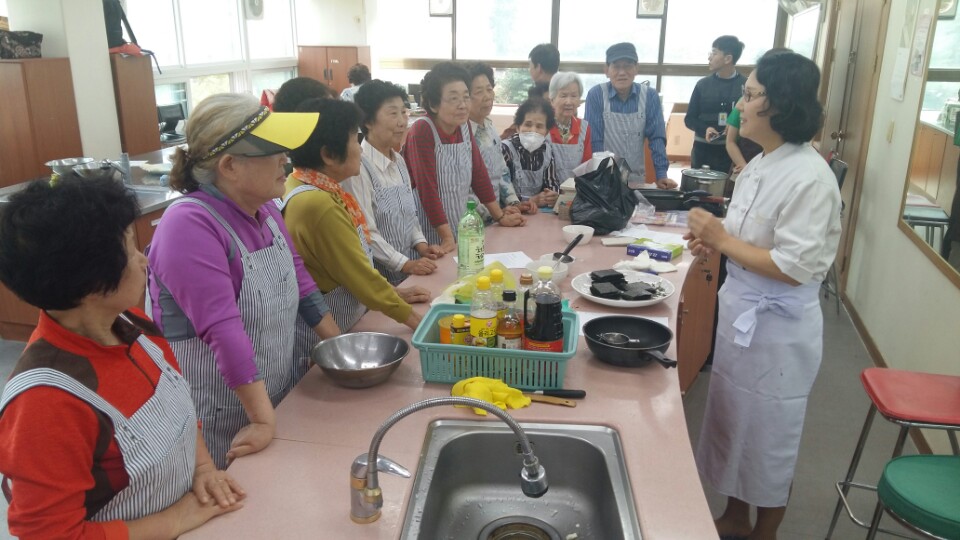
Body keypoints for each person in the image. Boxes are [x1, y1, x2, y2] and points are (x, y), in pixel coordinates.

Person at [0, 175, 244, 537]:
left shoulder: (133, 324)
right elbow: (49, 534)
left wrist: (203, 469)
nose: (143, 259)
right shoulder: (45, 402)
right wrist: (175, 519)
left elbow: (179, 412)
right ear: (91, 283)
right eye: (130, 249)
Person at [685, 51, 841, 540]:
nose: (740, 105)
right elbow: (747, 233)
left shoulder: (810, 177)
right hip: (742, 313)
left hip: (778, 329)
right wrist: (714, 237)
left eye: (751, 95)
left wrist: (723, 239)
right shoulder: (760, 162)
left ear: (781, 105)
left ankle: (765, 531)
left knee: (770, 435)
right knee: (735, 423)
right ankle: (735, 516)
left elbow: (794, 267)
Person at [148, 93, 340, 469]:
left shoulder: (265, 208)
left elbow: (301, 283)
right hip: (217, 417)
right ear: (230, 165)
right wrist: (262, 419)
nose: (285, 158)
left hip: (270, 398)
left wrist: (342, 351)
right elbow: (222, 327)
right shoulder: (189, 224)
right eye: (273, 150)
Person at [280, 97, 430, 331]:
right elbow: (359, 277)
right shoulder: (317, 203)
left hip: (350, 317)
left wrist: (396, 293)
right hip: (330, 329)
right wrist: (419, 323)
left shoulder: (305, 182)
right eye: (354, 139)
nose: (360, 149)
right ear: (329, 154)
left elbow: (351, 267)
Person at [402, 61, 525, 253]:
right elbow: (427, 189)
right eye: (453, 99)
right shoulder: (422, 130)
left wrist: (500, 217)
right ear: (434, 104)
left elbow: (479, 175)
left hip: (459, 222)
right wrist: (447, 237)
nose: (462, 105)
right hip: (428, 229)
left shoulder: (464, 126)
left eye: (466, 97)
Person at [345, 80, 444, 285]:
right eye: (393, 113)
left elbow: (410, 215)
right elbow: (367, 233)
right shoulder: (358, 168)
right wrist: (405, 264)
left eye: (403, 112)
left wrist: (422, 246)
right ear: (368, 121)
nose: (402, 122)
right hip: (381, 280)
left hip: (409, 271)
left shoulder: (398, 160)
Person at [584, 42, 677, 189]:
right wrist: (601, 177)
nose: (622, 72)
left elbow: (657, 139)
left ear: (636, 69)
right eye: (616, 66)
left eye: (627, 66)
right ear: (606, 70)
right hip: (605, 177)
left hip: (636, 177)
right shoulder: (596, 95)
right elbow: (595, 140)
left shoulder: (650, 96)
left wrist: (661, 175)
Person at [464, 62, 523, 213]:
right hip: (473, 217)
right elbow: (464, 189)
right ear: (465, 97)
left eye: (489, 89)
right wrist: (497, 214)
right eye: (479, 92)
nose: (487, 97)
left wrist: (514, 203)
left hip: (497, 216)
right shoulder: (461, 134)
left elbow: (502, 171)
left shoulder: (490, 128)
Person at [685, 36, 748, 173]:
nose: (709, 57)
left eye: (714, 53)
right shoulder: (702, 84)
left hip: (732, 151)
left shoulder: (745, 86)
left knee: (727, 185)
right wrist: (705, 129)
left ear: (728, 59)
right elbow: (689, 119)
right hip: (703, 149)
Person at [502, 97, 561, 211]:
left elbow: (552, 183)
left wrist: (552, 196)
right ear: (518, 127)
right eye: (528, 125)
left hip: (537, 214)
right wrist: (530, 200)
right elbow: (501, 190)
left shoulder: (547, 151)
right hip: (510, 213)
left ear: (546, 132)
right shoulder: (505, 149)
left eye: (539, 126)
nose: (533, 130)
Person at [548, 71, 592, 182]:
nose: (569, 102)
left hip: (575, 189)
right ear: (552, 100)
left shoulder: (584, 127)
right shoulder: (542, 126)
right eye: (563, 96)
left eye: (574, 96)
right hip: (547, 190)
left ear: (579, 100)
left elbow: (587, 166)